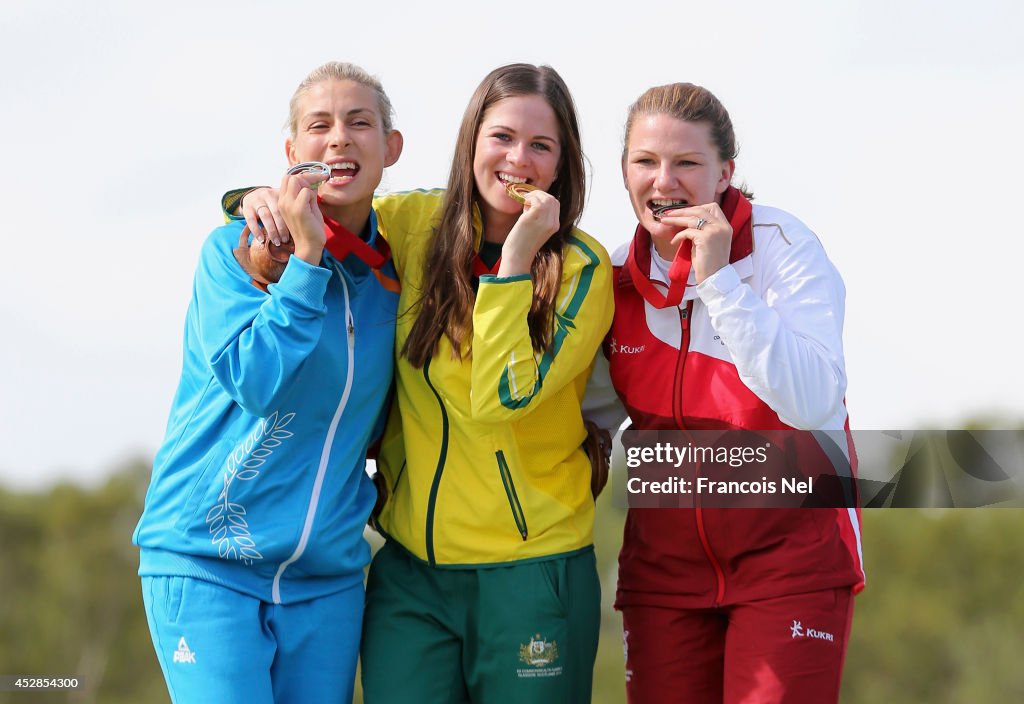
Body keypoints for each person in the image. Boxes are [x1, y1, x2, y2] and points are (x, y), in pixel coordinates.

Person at [237, 63, 613, 704]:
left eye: (540, 146)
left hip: (530, 570)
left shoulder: (581, 268)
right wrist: (250, 199)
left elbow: (500, 397)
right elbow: (333, 199)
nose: (517, 159)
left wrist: (514, 264)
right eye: (501, 137)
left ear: (562, 163)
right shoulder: (414, 224)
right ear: (471, 143)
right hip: (410, 576)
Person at [132, 61, 403, 704]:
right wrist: (306, 261)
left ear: (391, 148)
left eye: (359, 123)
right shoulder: (233, 251)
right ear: (291, 153)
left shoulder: (395, 275)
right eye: (319, 125)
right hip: (206, 563)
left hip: (326, 580)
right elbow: (257, 382)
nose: (339, 139)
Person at [585, 82, 865, 703]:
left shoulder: (784, 247)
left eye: (687, 163)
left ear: (725, 172)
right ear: (624, 171)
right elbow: (587, 416)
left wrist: (719, 284)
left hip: (791, 563)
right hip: (663, 576)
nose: (664, 182)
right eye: (646, 162)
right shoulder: (610, 280)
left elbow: (813, 399)